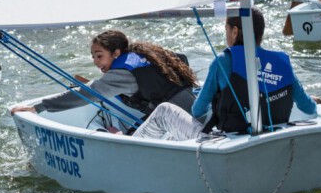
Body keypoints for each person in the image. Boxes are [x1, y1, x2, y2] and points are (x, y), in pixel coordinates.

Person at [132, 8, 320, 141]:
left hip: (231, 141)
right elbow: (308, 108)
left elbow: (198, 111)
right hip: (274, 137)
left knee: (165, 110)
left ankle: (131, 147)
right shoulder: (282, 62)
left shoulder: (223, 60)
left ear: (235, 31)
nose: (226, 35)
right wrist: (312, 100)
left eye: (226, 30)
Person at [11, 30, 198, 124]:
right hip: (194, 111)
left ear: (116, 53)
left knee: (123, 138)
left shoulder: (124, 72)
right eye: (93, 56)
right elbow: (181, 59)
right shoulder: (142, 56)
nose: (95, 61)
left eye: (99, 55)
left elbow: (86, 95)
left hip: (177, 120)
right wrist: (95, 84)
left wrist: (37, 107)